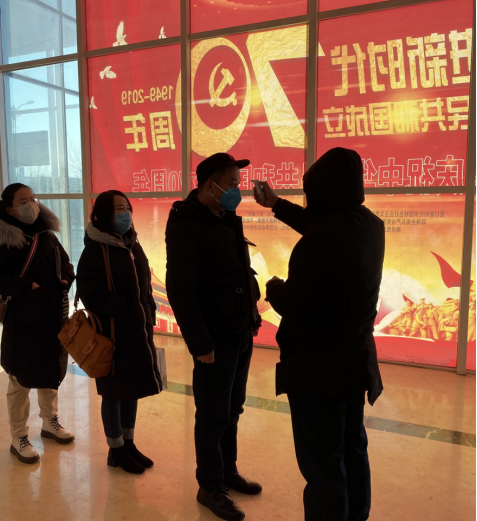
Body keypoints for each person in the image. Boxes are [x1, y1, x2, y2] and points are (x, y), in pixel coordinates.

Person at [254, 147, 385, 521]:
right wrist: (277, 205)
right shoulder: (369, 225)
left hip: (318, 370)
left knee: (323, 464)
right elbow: (323, 225)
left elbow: (295, 303)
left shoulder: (319, 241)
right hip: (355, 361)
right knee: (352, 448)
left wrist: (273, 286)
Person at [165, 153, 262, 521]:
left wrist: (251, 316)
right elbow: (180, 290)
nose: (238, 190)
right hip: (214, 339)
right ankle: (209, 485)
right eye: (233, 184)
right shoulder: (187, 225)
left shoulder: (225, 218)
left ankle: (227, 471)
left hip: (240, 331)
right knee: (212, 414)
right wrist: (199, 341)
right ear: (210, 185)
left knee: (232, 409)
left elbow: (239, 273)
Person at [0, 184, 76, 464]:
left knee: (50, 372)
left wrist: (65, 280)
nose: (32, 204)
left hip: (52, 317)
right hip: (22, 321)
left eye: (33, 199)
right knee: (20, 379)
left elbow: (66, 263)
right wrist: (29, 287)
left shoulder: (47, 235)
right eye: (24, 201)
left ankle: (50, 421)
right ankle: (19, 436)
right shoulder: (2, 243)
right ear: (10, 209)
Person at [76, 190, 162, 475]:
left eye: (126, 208)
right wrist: (120, 307)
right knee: (113, 394)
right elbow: (88, 291)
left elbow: (144, 283)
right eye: (118, 209)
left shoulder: (131, 243)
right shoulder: (95, 250)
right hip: (112, 333)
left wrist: (147, 309)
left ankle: (128, 443)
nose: (124, 214)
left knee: (131, 388)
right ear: (103, 214)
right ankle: (116, 450)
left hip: (137, 332)